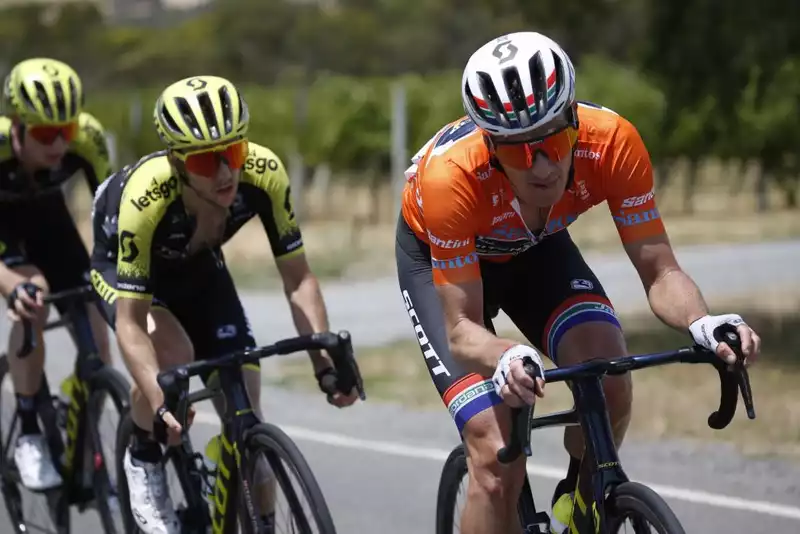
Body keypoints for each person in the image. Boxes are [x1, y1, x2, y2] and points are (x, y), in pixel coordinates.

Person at [396, 31, 762, 534]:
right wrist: (504, 354)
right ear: (490, 145)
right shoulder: (451, 180)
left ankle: (582, 504)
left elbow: (661, 273)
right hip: (441, 263)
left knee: (608, 373)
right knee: (494, 453)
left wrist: (703, 322)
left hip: (535, 249)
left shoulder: (612, 142)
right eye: (520, 153)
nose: (542, 166)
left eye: (553, 141)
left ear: (573, 120)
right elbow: (461, 328)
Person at [90, 74, 359, 534]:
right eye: (205, 161)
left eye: (233, 153)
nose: (224, 173)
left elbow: (298, 278)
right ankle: (144, 456)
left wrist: (325, 359)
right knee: (172, 355)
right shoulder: (146, 197)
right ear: (176, 161)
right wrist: (158, 404)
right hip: (127, 271)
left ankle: (251, 503)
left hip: (198, 268)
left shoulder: (264, 173)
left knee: (247, 412)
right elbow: (131, 325)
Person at [0, 57, 113, 491]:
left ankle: (82, 432)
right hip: (3, 231)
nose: (60, 145)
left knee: (101, 344)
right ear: (16, 126)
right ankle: (29, 431)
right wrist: (11, 285)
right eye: (47, 134)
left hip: (49, 221)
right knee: (33, 297)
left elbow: (114, 216)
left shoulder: (87, 137)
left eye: (66, 130)